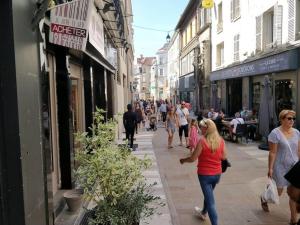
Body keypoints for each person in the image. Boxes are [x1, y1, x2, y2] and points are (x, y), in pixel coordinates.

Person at [180, 119, 226, 225]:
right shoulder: (221, 141)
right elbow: (224, 156)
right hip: (217, 174)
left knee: (211, 202)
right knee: (208, 194)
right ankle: (204, 212)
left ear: (207, 129)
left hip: (205, 175)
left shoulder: (202, 141)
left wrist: (183, 160)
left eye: (202, 127)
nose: (200, 129)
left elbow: (192, 158)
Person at [261, 109, 299, 225]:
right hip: (280, 166)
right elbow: (272, 152)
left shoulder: (297, 133)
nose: (292, 120)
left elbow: (298, 150)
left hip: (294, 166)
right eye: (289, 118)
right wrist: (270, 168)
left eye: (293, 118)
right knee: (278, 191)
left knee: (294, 193)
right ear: (282, 119)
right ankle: (264, 198)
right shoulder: (275, 133)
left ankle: (293, 220)